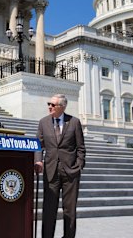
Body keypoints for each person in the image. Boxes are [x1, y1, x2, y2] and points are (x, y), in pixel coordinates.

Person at [34, 94, 86, 238]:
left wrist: (79, 165)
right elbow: (38, 145)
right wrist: (38, 160)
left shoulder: (74, 122)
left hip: (71, 172)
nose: (49, 107)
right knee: (49, 209)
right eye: (48, 104)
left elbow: (81, 147)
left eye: (52, 104)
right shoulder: (43, 122)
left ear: (62, 107)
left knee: (69, 210)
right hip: (50, 171)